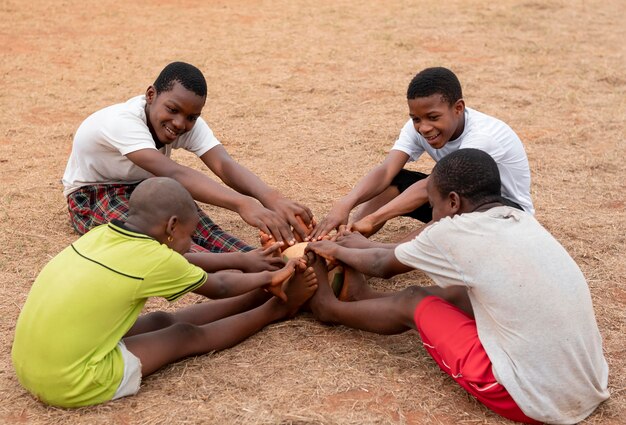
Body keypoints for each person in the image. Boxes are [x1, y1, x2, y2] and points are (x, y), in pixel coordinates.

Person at [307, 149, 609, 424]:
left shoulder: (453, 231)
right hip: (587, 383)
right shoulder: (518, 218)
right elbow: (387, 255)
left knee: (414, 298)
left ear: (452, 202)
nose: (433, 215)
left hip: (529, 398)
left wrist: (335, 252)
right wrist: (358, 246)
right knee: (462, 292)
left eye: (432, 204)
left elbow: (382, 266)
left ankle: (329, 308)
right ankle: (361, 299)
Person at [12, 177, 318, 408]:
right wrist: (271, 274)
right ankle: (276, 308)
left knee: (160, 319)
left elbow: (178, 259)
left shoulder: (103, 234)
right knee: (182, 334)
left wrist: (243, 260)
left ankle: (259, 296)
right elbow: (220, 287)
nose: (189, 241)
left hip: (33, 363)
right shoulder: (154, 259)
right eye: (190, 233)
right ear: (172, 226)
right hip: (71, 380)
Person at [62, 61, 313, 258]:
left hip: (147, 189)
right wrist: (242, 204)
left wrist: (272, 199)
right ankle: (251, 273)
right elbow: (173, 173)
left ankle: (266, 263)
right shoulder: (123, 121)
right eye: (172, 110)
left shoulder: (186, 121)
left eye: (191, 117)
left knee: (199, 227)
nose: (180, 123)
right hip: (95, 194)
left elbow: (223, 165)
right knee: (164, 244)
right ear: (151, 95)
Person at [311, 67, 534, 240]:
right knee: (397, 181)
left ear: (458, 108)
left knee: (451, 206)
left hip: (506, 217)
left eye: (433, 117)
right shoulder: (419, 126)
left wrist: (374, 218)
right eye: (416, 119)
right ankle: (348, 239)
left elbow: (433, 185)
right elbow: (387, 170)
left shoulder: (483, 137)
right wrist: (345, 204)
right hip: (459, 199)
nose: (424, 127)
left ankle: (386, 257)